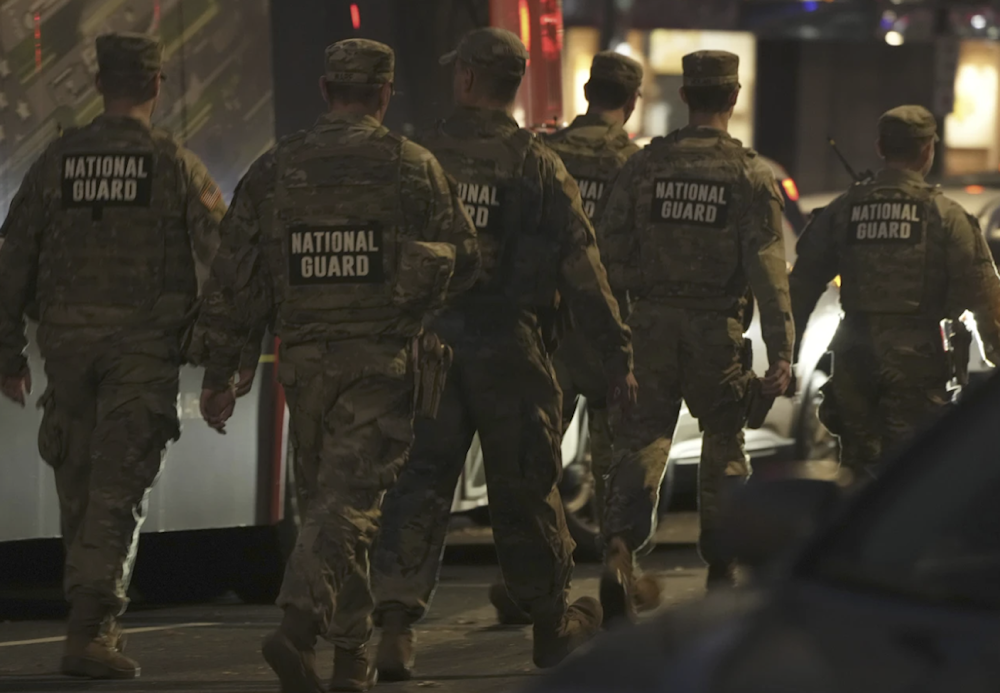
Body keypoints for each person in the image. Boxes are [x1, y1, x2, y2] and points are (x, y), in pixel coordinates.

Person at [190, 39, 480, 693]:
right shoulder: (412, 166)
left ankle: (350, 661)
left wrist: (221, 370)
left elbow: (235, 277)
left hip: (306, 364)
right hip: (379, 361)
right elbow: (465, 255)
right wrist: (416, 273)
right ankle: (296, 626)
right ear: (383, 93)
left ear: (325, 90)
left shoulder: (274, 168)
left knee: (333, 504)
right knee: (348, 506)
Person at [369, 27, 637, 681]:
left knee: (419, 483)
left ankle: (396, 630)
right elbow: (582, 264)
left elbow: (382, 254)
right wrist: (616, 352)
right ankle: (549, 625)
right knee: (527, 488)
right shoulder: (538, 162)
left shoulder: (418, 156)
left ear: (466, 78)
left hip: (433, 346)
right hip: (511, 347)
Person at [0, 33, 225, 679]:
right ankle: (90, 630)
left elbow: (12, 257)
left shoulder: (56, 161)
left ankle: (90, 621)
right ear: (156, 86)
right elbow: (225, 256)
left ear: (100, 84)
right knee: (116, 492)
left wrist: (8, 351)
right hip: (141, 351)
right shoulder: (174, 163)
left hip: (67, 353)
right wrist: (223, 352)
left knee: (79, 491)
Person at [597, 50, 794, 607]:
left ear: (684, 97)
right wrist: (781, 350)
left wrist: (646, 289)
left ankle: (618, 547)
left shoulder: (643, 166)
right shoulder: (748, 173)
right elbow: (766, 266)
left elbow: (608, 248)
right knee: (725, 443)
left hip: (650, 323)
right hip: (716, 331)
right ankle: (722, 566)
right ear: (734, 97)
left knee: (642, 439)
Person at [486, 49, 659, 626]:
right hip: (614, 327)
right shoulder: (638, 164)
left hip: (551, 327)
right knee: (616, 455)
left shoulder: (542, 153)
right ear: (631, 101)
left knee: (536, 457)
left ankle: (529, 582)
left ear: (586, 91)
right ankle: (616, 560)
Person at [790, 105, 1000, 482]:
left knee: (856, 472)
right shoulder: (945, 216)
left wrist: (783, 356)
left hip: (855, 361)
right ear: (927, 151)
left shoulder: (843, 210)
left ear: (880, 147)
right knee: (911, 475)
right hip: (916, 365)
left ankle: (854, 540)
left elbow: (800, 287)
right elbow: (986, 298)